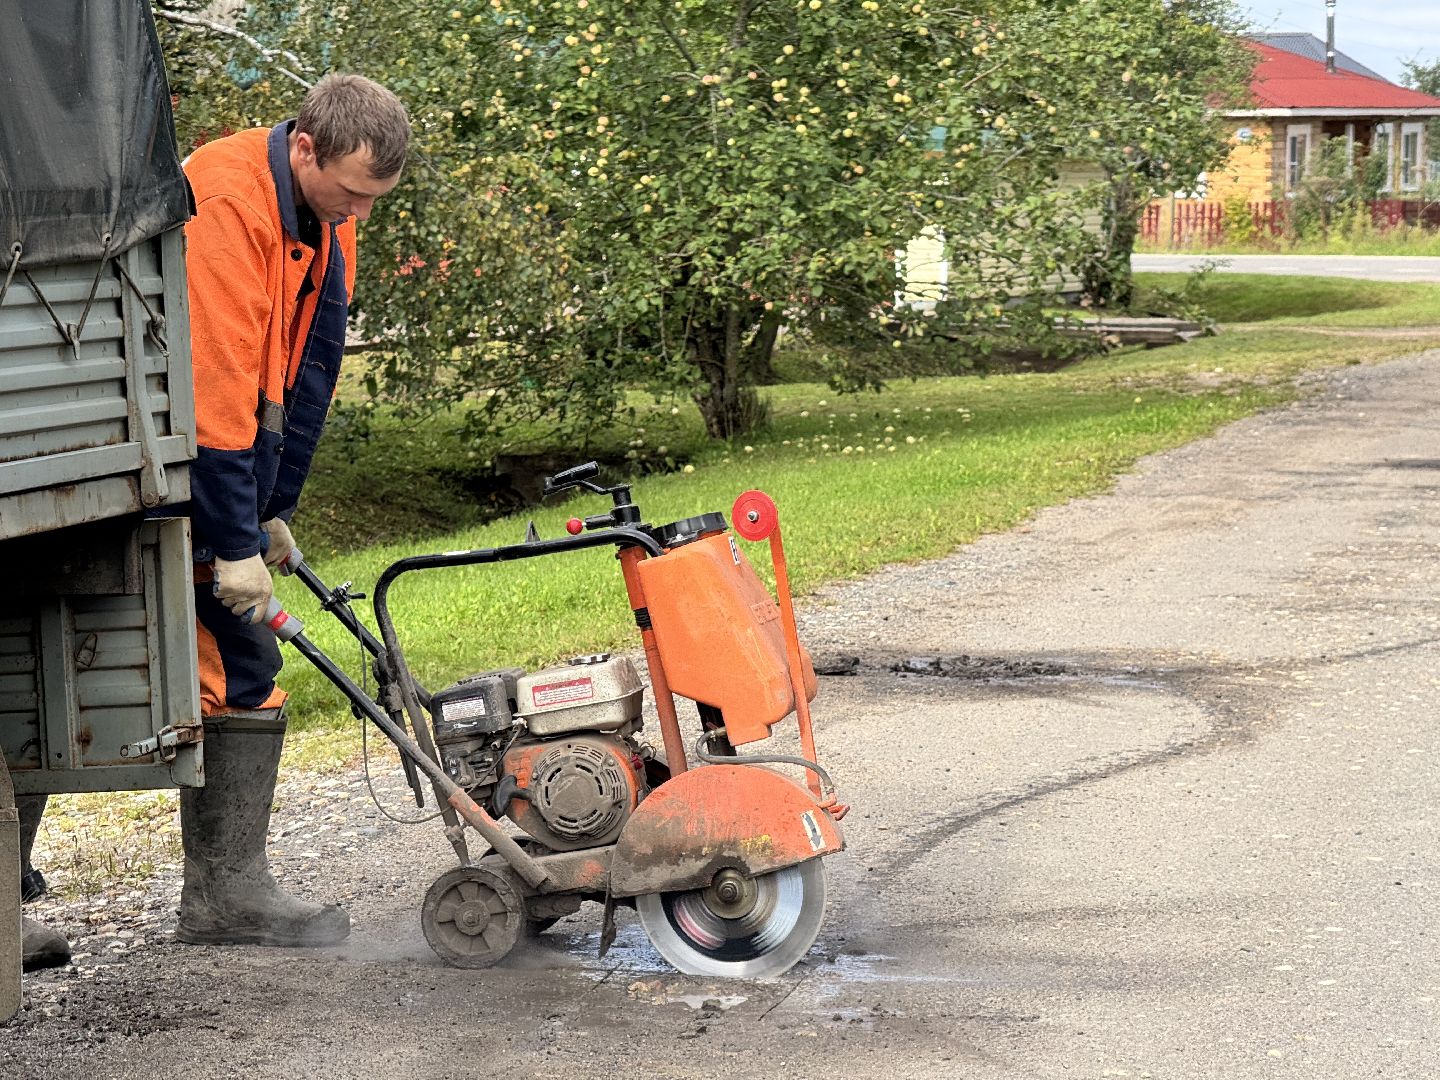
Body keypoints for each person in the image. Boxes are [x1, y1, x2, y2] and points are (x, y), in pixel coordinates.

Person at [20, 74, 410, 969]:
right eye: (353, 192)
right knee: (46, 688)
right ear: (305, 147)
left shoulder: (326, 214)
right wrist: (233, 545)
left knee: (234, 668)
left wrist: (272, 515)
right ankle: (218, 894)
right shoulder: (228, 199)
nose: (361, 212)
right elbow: (218, 394)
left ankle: (227, 891)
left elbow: (311, 371)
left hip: (224, 480)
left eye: (374, 198)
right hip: (155, 466)